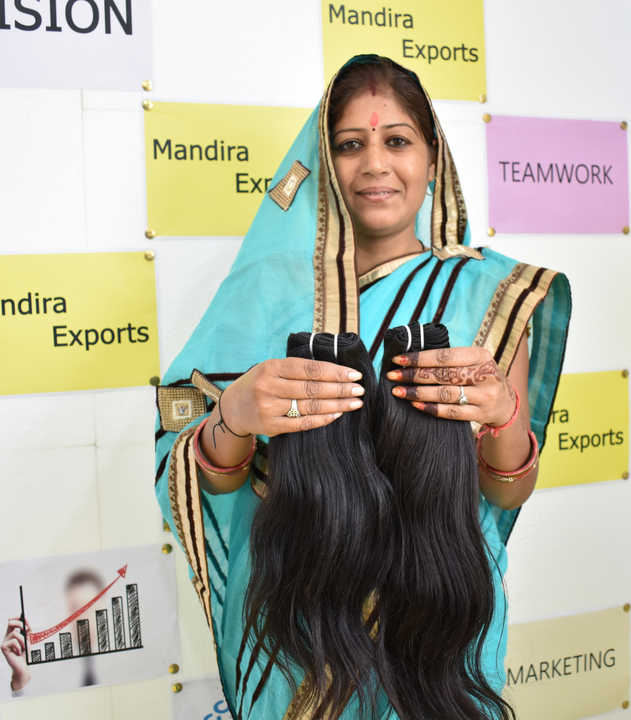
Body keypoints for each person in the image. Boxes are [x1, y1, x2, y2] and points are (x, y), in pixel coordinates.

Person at [154, 55, 571, 719]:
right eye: (350, 145)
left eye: (397, 140)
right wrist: (232, 418)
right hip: (300, 627)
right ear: (325, 163)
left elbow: (504, 491)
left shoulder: (489, 294)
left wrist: (501, 415)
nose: (375, 164)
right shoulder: (263, 300)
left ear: (433, 159)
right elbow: (206, 480)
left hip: (437, 621)